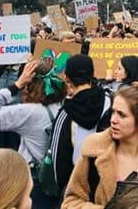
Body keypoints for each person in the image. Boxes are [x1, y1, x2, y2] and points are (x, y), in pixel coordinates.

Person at [0, 60, 66, 208]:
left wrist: (16, 85)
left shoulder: (30, 112)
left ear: (29, 85)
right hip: (55, 175)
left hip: (33, 175)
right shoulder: (62, 104)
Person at [62, 86, 138, 207]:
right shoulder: (94, 151)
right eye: (113, 112)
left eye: (121, 115)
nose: (113, 120)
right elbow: (70, 200)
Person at [51, 54, 111, 201]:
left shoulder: (66, 112)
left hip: (76, 183)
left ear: (67, 78)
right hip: (107, 181)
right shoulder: (110, 102)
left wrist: (65, 190)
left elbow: (57, 156)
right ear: (92, 75)